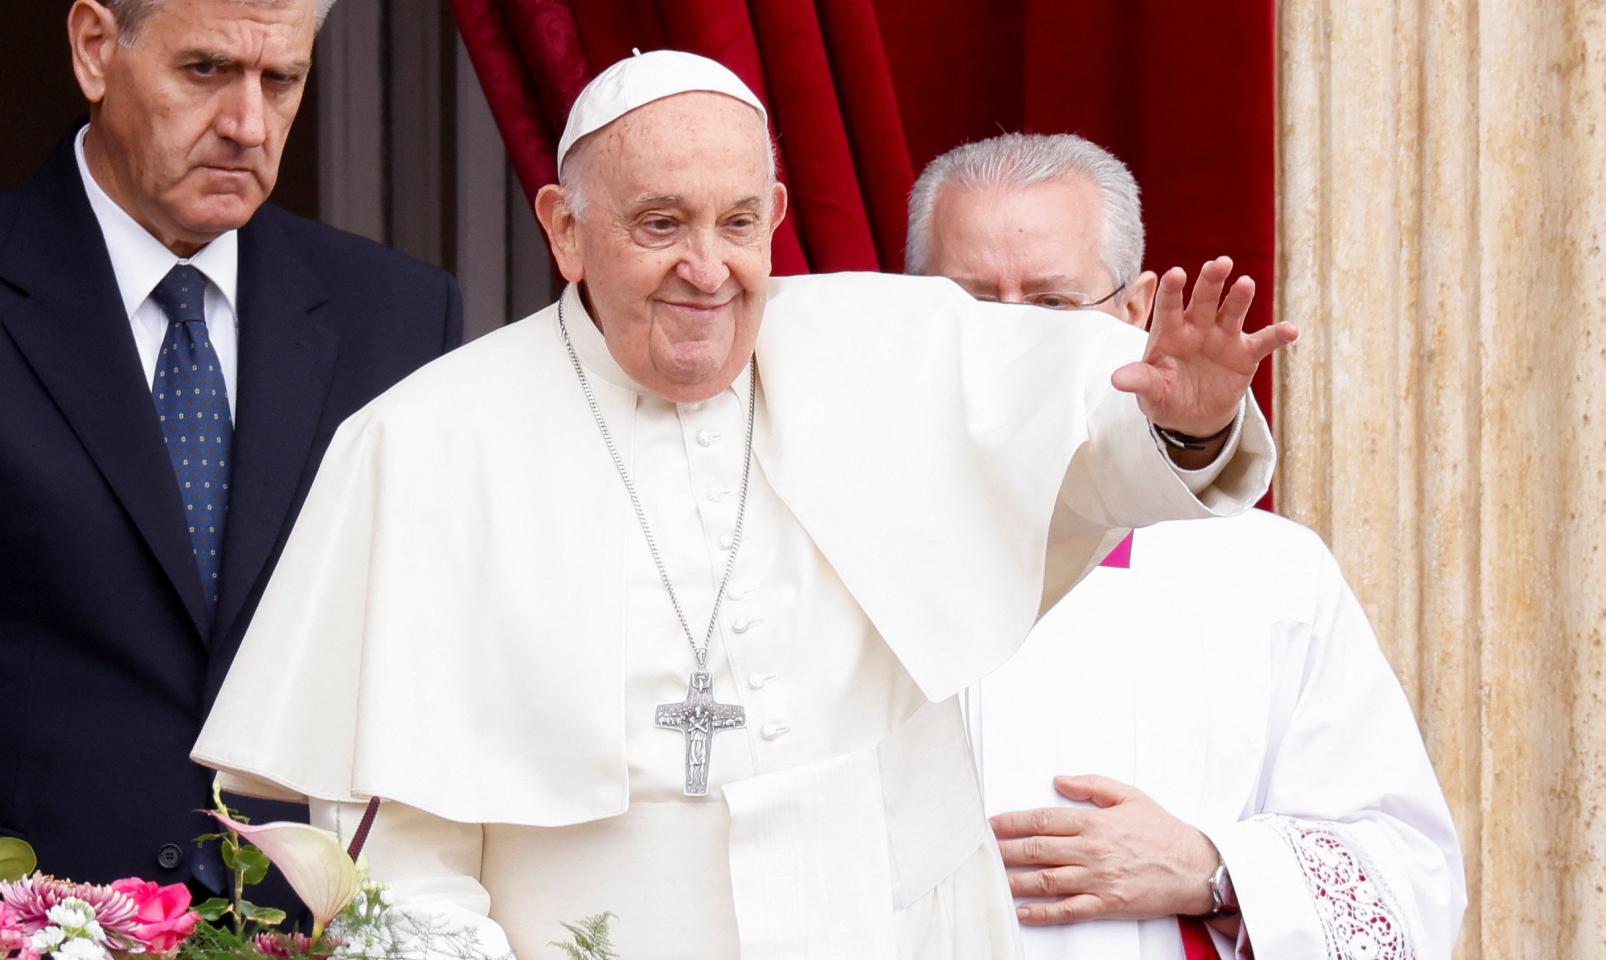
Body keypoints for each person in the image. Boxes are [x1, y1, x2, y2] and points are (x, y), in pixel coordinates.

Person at [191, 51, 1294, 960]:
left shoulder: (890, 347)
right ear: (564, 229)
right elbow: (404, 848)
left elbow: (1084, 462)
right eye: (659, 225)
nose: (707, 269)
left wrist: (1188, 423)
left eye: (734, 223)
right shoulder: (425, 443)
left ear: (773, 214)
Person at [909, 131, 1466, 959]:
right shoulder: (831, 550)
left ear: (1133, 314)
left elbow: (1413, 884)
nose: (1010, 341)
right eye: (975, 303)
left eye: (1053, 305)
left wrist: (1212, 868)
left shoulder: (1268, 576)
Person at [0, 0, 462, 897]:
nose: (248, 125)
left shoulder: (401, 321)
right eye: (206, 70)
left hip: (318, 933)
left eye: (280, 80)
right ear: (96, 50)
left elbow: (440, 663)